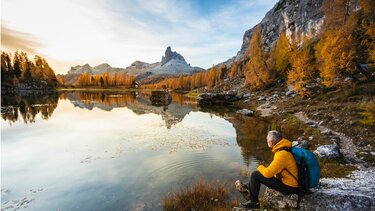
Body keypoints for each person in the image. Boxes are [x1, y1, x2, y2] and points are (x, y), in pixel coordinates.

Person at [237, 130, 299, 209]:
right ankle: (250, 186)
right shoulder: (284, 148)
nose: (267, 142)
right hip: (288, 181)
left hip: (289, 187)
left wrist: (260, 167)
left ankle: (254, 203)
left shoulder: (282, 154)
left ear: (270, 141)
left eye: (267, 140)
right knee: (258, 175)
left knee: (255, 175)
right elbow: (277, 169)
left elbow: (267, 173)